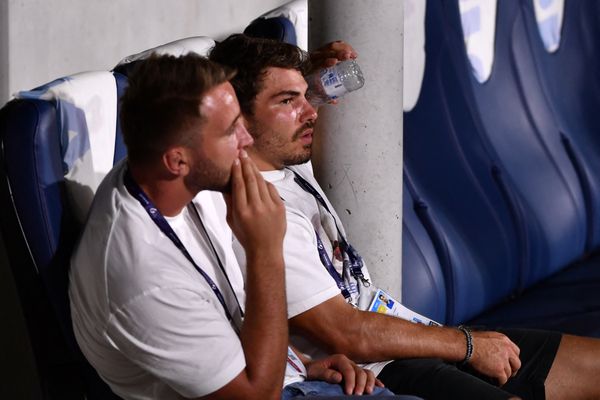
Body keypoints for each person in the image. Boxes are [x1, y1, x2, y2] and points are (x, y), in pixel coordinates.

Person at [210, 33, 600, 400]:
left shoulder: (282, 157)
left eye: (303, 96)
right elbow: (344, 333)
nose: (309, 111)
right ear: (239, 121)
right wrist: (468, 346)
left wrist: (312, 76)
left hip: (408, 335)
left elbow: (289, 106)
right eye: (286, 101)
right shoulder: (256, 208)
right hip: (379, 367)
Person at [68, 53, 396, 400]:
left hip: (286, 378)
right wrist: (265, 252)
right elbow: (256, 397)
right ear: (177, 160)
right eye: (230, 131)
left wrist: (303, 364)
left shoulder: (169, 174)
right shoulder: (144, 276)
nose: (246, 139)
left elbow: (228, 320)